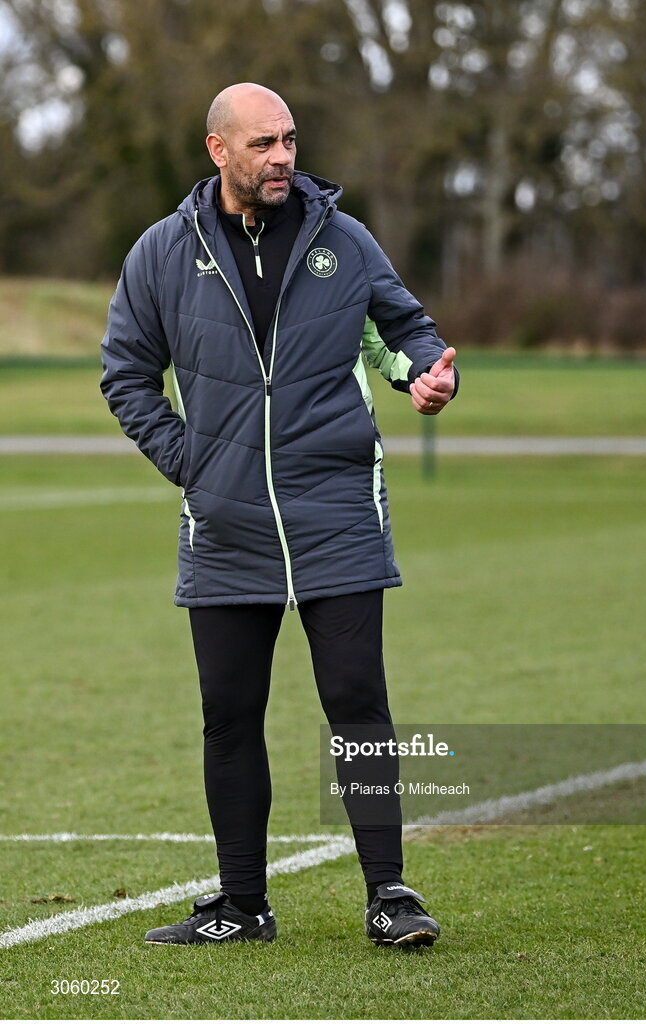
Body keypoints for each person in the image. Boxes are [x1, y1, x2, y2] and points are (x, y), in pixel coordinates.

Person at [100, 83, 458, 949]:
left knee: (354, 699)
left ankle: (390, 894)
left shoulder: (344, 237)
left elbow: (407, 327)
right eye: (263, 144)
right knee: (229, 712)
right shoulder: (160, 252)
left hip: (335, 509)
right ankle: (241, 905)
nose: (283, 158)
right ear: (218, 151)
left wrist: (428, 373)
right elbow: (126, 374)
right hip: (224, 526)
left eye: (290, 141)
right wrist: (195, 467)